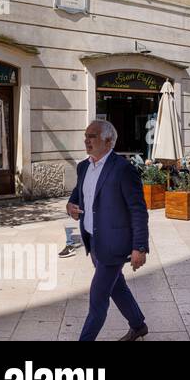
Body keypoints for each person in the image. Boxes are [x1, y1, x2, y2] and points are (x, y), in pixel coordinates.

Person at [67, 120, 150, 341]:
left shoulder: (124, 169)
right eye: (86, 135)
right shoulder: (84, 166)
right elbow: (78, 194)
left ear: (108, 141)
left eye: (92, 136)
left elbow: (138, 210)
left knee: (97, 299)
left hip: (114, 245)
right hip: (93, 241)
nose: (87, 140)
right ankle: (138, 325)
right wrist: (70, 206)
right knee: (117, 287)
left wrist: (139, 247)